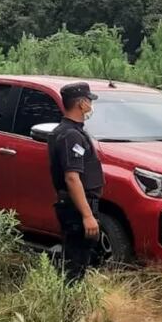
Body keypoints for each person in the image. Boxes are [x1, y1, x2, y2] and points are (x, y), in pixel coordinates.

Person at [48, 82, 104, 284]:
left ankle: (70, 302)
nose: (91, 105)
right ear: (81, 103)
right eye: (89, 101)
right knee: (75, 264)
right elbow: (72, 177)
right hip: (77, 207)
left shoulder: (68, 131)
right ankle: (68, 309)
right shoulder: (70, 135)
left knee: (78, 259)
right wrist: (87, 215)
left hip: (75, 205)